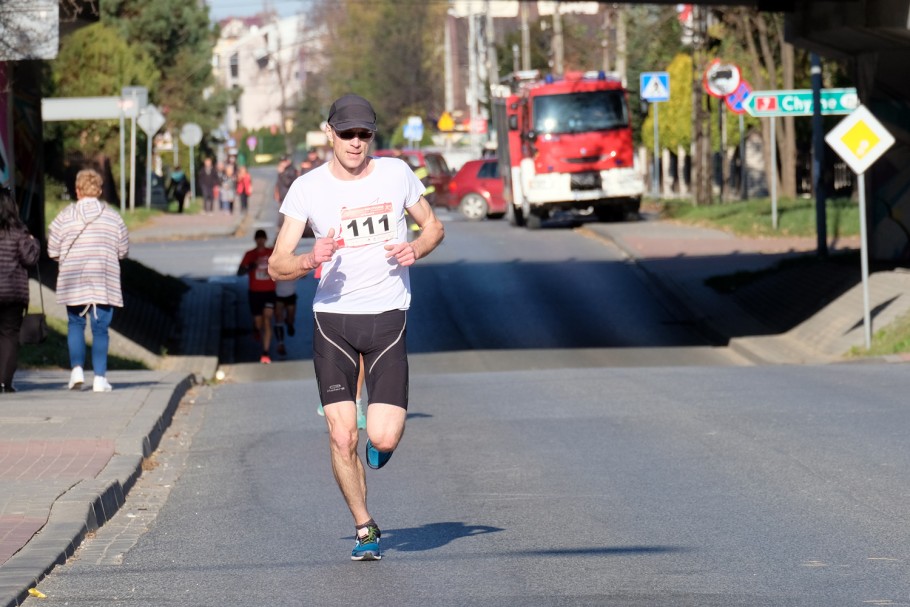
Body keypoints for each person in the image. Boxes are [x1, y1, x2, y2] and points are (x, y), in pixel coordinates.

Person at [268, 93, 444, 561]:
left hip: (388, 319)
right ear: (330, 134)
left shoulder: (396, 174)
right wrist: (309, 259)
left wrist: (417, 249)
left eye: (364, 134)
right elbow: (275, 265)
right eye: (346, 134)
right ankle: (365, 526)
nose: (355, 142)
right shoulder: (307, 188)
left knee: (382, 437)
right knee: (342, 434)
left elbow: (434, 227)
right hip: (333, 323)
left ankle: (378, 449)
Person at [47, 168, 129, 392]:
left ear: (77, 191)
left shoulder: (64, 217)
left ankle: (76, 372)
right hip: (104, 279)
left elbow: (52, 250)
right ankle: (100, 379)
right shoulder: (113, 217)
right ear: (100, 190)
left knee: (75, 324)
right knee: (100, 329)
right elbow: (123, 251)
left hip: (73, 281)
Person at [0, 187, 39, 393]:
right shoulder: (19, 232)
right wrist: (35, 243)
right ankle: (4, 382)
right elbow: (30, 258)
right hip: (13, 293)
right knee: (9, 335)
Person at [238, 229, 276, 364]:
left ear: (265, 240)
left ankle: (265, 352)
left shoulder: (271, 253)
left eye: (262, 239)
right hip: (254, 292)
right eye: (258, 239)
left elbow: (279, 266)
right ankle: (256, 328)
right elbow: (239, 272)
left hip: (269, 292)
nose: (260, 241)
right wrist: (250, 267)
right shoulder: (250, 254)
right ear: (255, 240)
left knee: (267, 320)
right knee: (259, 322)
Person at [273, 278, 297, 357]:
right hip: (278, 296)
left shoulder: (294, 265)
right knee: (279, 319)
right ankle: (280, 344)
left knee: (290, 319)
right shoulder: (275, 265)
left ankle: (289, 323)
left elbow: (303, 275)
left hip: (291, 295)